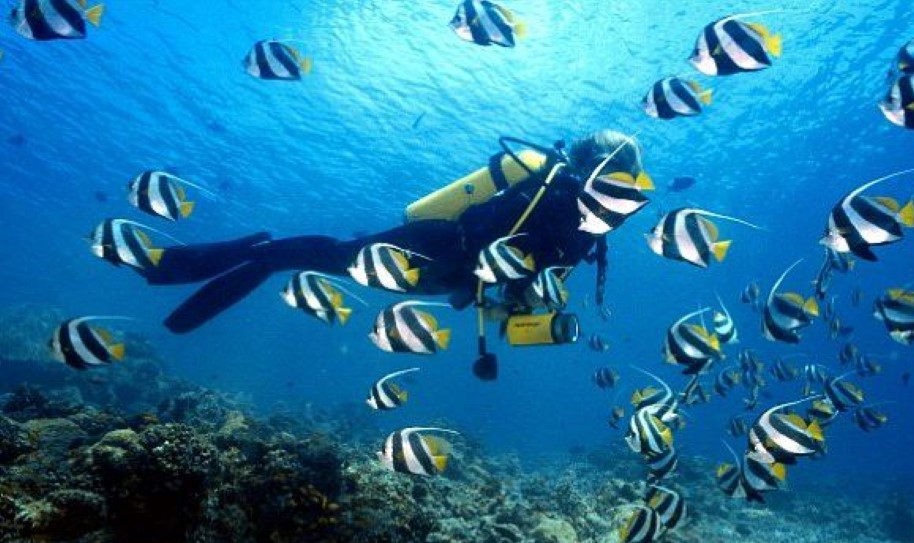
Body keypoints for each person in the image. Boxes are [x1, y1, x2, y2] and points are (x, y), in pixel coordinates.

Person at [144, 130, 646, 376]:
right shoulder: (546, 184)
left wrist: (517, 309)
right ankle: (250, 250)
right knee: (332, 257)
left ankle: (259, 255)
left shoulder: (589, 232)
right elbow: (486, 228)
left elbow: (530, 285)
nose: (619, 196)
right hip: (431, 246)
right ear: (594, 166)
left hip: (449, 280)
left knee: (335, 259)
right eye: (617, 177)